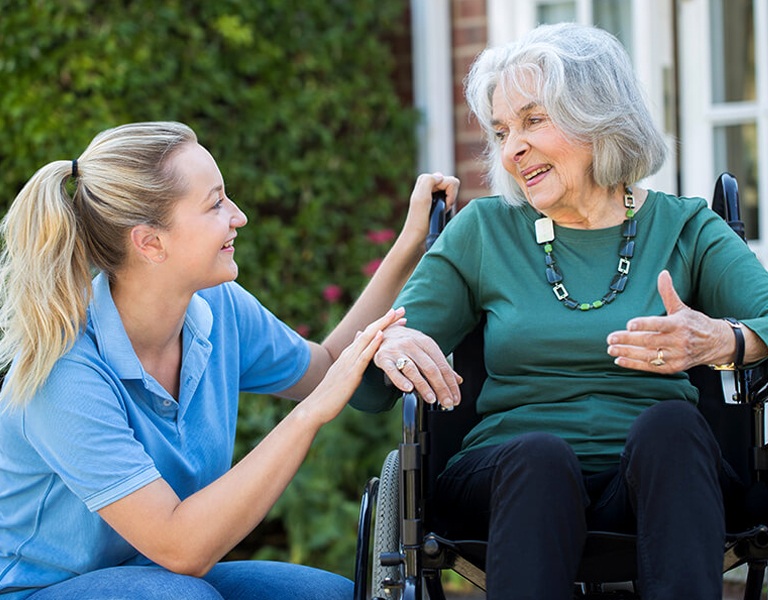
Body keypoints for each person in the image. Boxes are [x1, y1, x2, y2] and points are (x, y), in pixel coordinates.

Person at [350, 22, 768, 599]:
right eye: (500, 131)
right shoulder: (484, 230)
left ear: (599, 116)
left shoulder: (685, 226)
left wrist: (729, 340)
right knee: (540, 457)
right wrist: (391, 347)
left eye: (533, 120)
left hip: (656, 481)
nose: (511, 148)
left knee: (674, 428)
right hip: (509, 479)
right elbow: (366, 388)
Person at [0, 121, 459, 600]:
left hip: (161, 577)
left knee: (328, 596)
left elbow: (324, 365)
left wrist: (410, 243)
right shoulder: (65, 372)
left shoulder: (218, 308)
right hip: (46, 589)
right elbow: (182, 548)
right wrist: (311, 414)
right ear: (150, 242)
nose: (238, 216)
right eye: (215, 203)